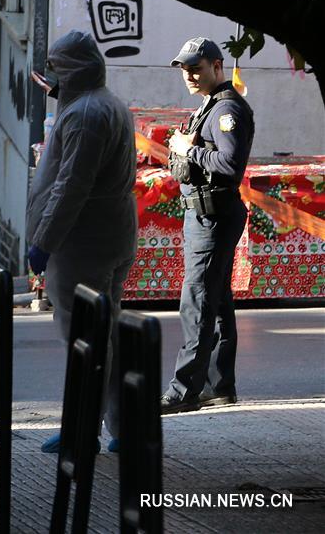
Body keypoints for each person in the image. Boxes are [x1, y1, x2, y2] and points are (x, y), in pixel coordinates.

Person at [25, 30, 138, 453]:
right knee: (105, 335)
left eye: (57, 69)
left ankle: (81, 428)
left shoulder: (87, 115)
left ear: (73, 70)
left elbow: (71, 185)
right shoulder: (104, 104)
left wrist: (44, 242)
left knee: (85, 337)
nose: (52, 79)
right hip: (105, 234)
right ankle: (121, 425)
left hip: (83, 240)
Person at [161, 37, 254, 414]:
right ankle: (219, 385)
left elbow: (231, 165)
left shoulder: (228, 110)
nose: (190, 75)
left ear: (217, 66)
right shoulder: (210, 106)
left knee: (197, 301)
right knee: (214, 302)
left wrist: (188, 149)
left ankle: (183, 391)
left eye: (196, 68)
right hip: (203, 214)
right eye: (185, 69)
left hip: (213, 215)